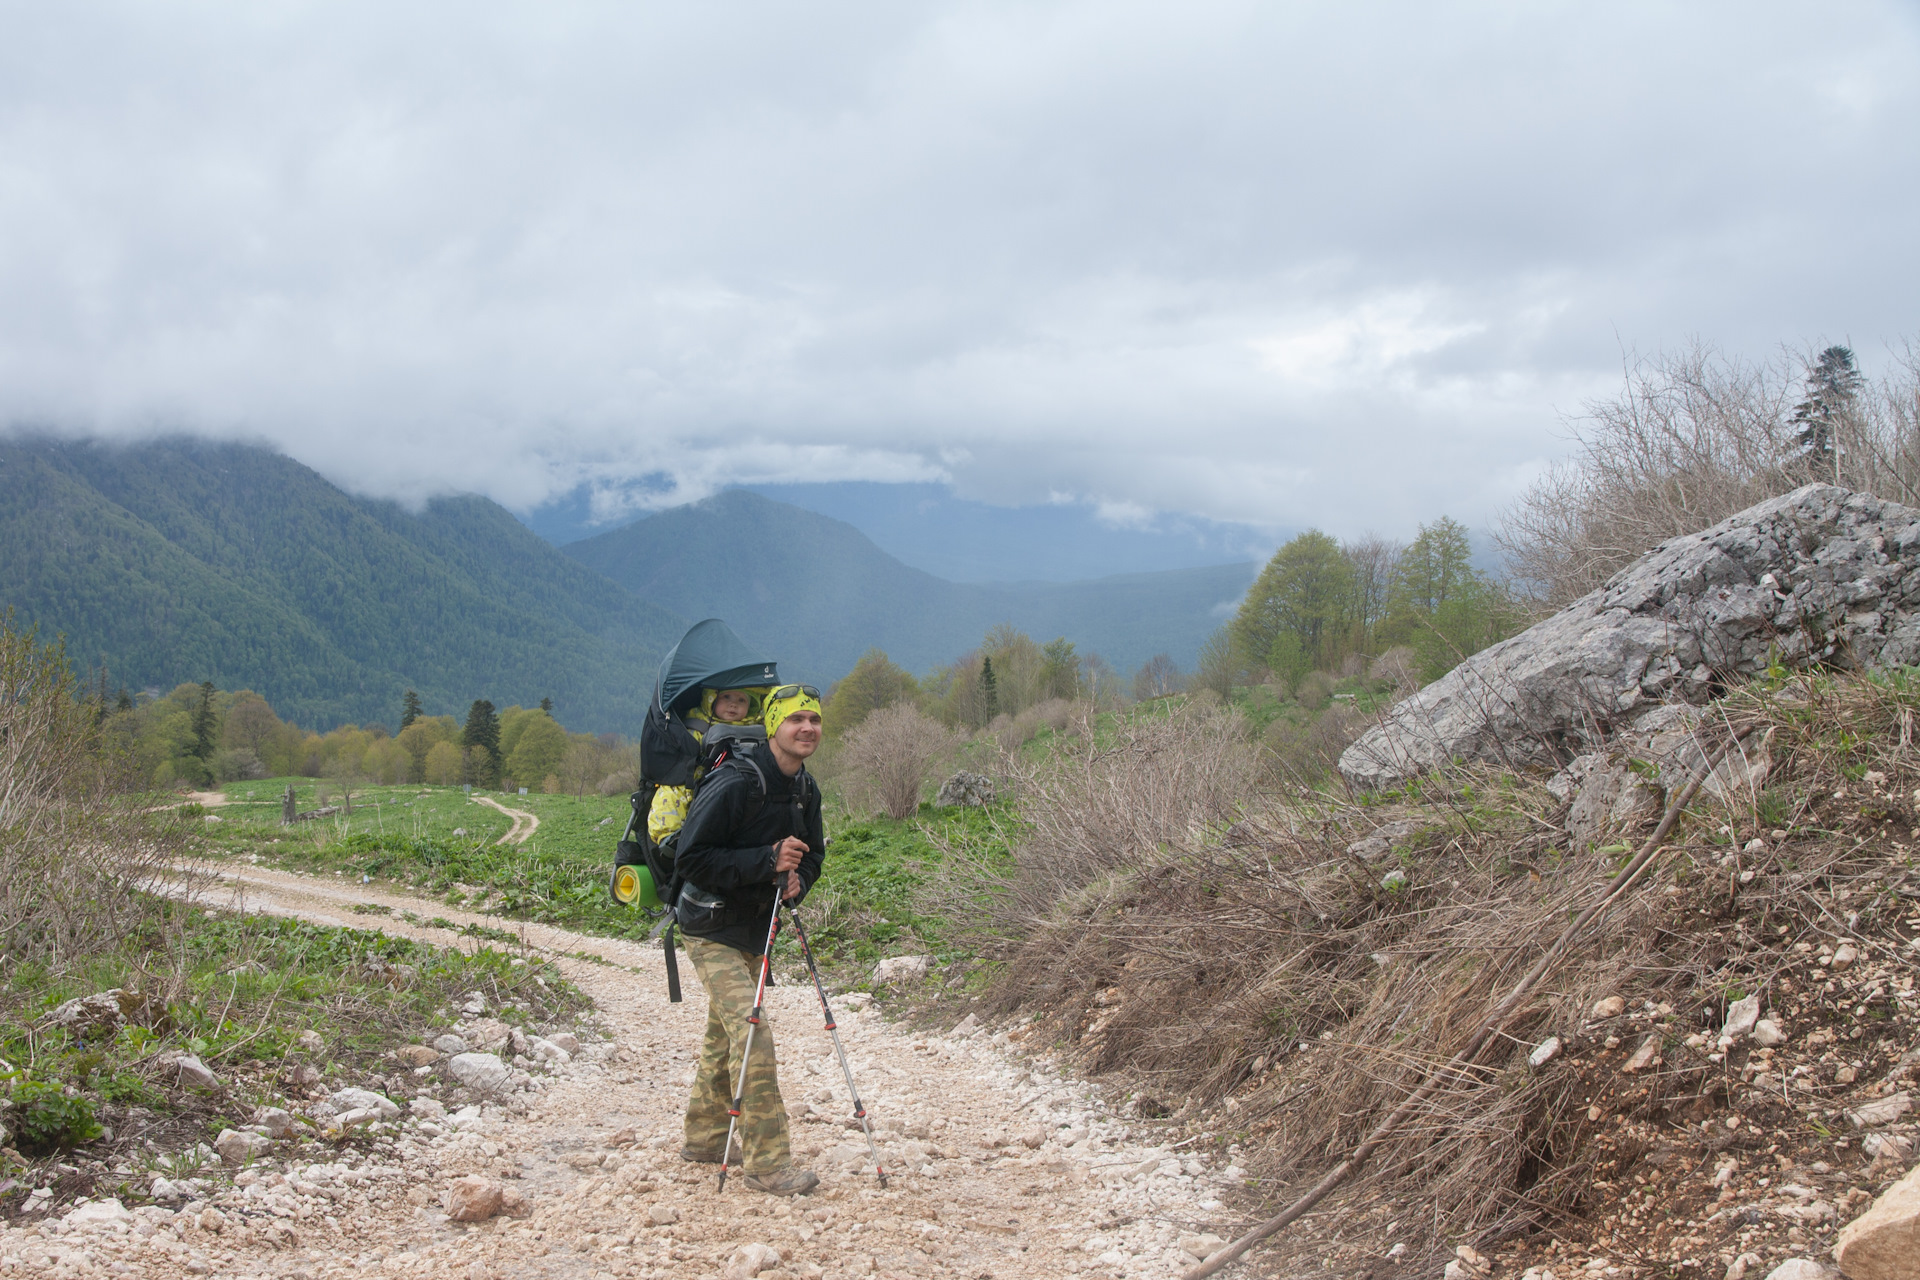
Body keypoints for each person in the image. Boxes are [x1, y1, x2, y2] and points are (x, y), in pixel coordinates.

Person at [672, 684, 826, 1196]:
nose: (807, 728)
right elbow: (690, 860)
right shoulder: (735, 782)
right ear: (772, 725)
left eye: (815, 719)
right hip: (708, 926)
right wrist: (766, 860)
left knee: (725, 1037)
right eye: (795, 719)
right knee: (753, 1033)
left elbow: (812, 858)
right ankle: (766, 1163)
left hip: (755, 930)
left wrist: (800, 879)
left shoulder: (806, 789)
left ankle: (705, 1138)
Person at [646, 686, 763, 844]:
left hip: (743, 787)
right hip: (697, 782)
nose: (733, 704)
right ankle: (669, 836)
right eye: (726, 697)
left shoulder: (756, 730)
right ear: (711, 699)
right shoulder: (696, 727)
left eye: (741, 700)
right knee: (670, 793)